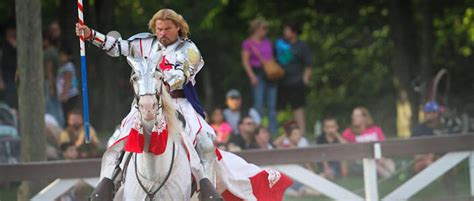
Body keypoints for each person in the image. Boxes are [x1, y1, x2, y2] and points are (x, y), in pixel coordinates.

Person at [76, 9, 292, 200]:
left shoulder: (188, 49)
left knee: (204, 143)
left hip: (177, 103)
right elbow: (118, 47)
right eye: (159, 28)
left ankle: (207, 190)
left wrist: (161, 85)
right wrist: (91, 35)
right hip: (145, 103)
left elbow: (181, 74)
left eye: (167, 28)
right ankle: (107, 184)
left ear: (178, 28)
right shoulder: (144, 43)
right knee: (117, 140)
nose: (162, 33)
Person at [275, 22, 313, 135]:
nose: (284, 32)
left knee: (297, 108)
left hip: (296, 82)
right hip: (281, 82)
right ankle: (283, 134)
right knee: (280, 109)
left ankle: (301, 133)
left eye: (287, 30)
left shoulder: (302, 46)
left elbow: (309, 64)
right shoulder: (280, 44)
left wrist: (305, 79)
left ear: (294, 32)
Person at [241, 18, 278, 134]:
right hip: (257, 73)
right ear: (256, 29)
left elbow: (271, 58)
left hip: (269, 73)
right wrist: (252, 76)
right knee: (259, 104)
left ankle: (273, 131)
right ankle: (258, 131)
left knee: (272, 105)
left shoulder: (268, 42)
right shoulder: (248, 43)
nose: (265, 31)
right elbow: (245, 61)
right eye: (263, 28)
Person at [342, 106, 396, 178]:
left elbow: (384, 145)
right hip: (361, 161)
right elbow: (343, 146)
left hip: (379, 157)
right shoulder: (349, 132)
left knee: (388, 162)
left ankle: (392, 175)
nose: (354, 118)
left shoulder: (376, 129)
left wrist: (381, 157)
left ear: (365, 117)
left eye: (357, 116)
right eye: (353, 115)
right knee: (373, 163)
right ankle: (390, 177)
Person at [411, 101, 442, 172]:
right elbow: (414, 154)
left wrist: (435, 156)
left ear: (437, 114)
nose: (428, 114)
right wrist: (429, 155)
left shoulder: (442, 128)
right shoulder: (418, 129)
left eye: (432, 112)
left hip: (441, 157)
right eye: (427, 112)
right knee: (427, 162)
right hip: (423, 159)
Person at [56, 46, 80, 118]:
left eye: (63, 55)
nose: (60, 57)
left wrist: (65, 95)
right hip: (66, 95)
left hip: (70, 95)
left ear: (69, 56)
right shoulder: (62, 66)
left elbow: (67, 81)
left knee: (69, 114)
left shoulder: (68, 66)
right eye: (60, 55)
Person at [0, 22, 18, 111]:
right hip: (6, 75)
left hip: (17, 75)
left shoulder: (18, 43)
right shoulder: (2, 44)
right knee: (9, 101)